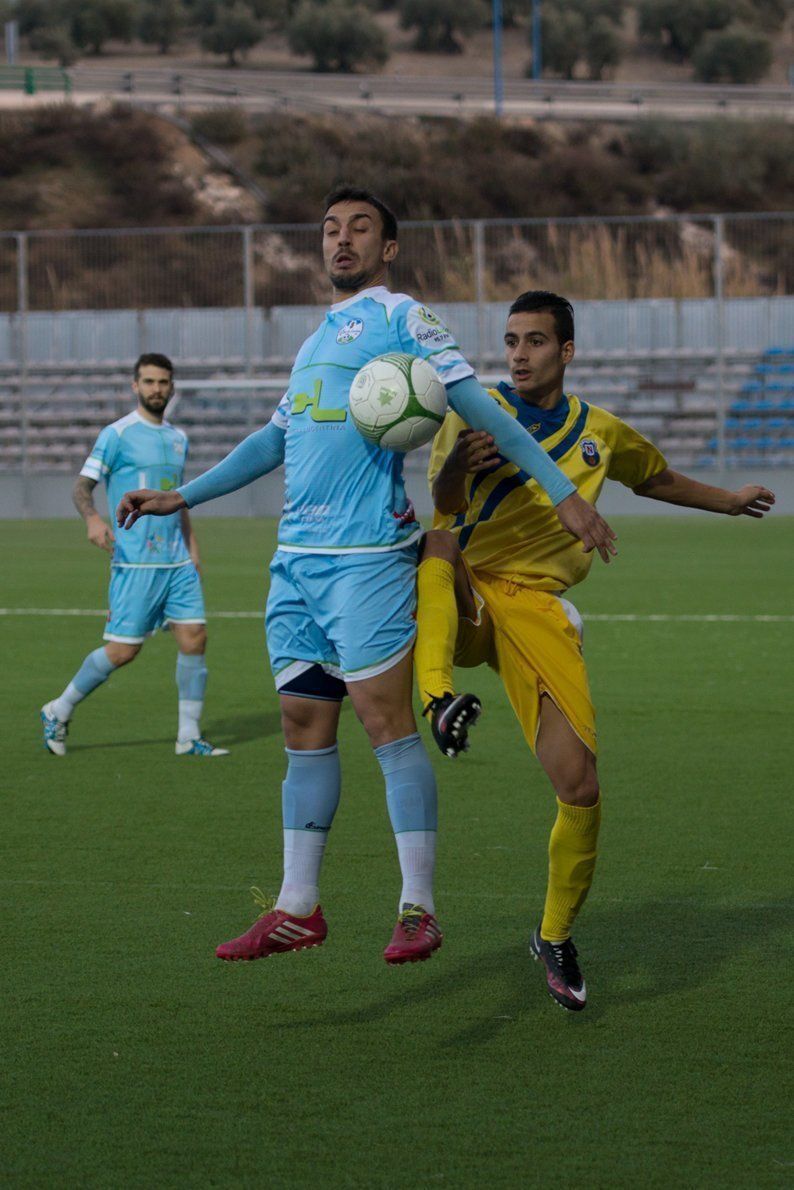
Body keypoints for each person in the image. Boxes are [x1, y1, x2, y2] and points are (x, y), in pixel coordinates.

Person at [116, 191, 616, 967]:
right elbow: (272, 440)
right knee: (302, 729)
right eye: (329, 228)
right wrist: (183, 494)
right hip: (297, 563)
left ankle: (418, 907)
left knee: (386, 727)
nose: (340, 240)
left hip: (367, 560)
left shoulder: (403, 319)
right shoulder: (317, 339)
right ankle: (296, 907)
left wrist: (559, 488)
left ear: (389, 248)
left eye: (359, 229)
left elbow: (482, 404)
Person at [414, 289, 775, 1009]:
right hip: (467, 589)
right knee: (435, 543)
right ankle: (436, 695)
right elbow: (444, 500)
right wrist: (460, 466)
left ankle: (552, 933)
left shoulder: (598, 433)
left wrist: (728, 502)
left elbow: (658, 477)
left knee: (579, 786)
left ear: (566, 351)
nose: (518, 354)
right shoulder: (474, 410)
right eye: (511, 340)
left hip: (538, 613)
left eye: (535, 341)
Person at [40, 354, 228, 759]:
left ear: (172, 386)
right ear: (135, 385)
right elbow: (81, 487)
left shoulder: (179, 438)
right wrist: (92, 519)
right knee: (124, 651)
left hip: (177, 562)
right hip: (135, 561)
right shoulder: (117, 434)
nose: (156, 389)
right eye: (148, 381)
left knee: (195, 637)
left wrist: (192, 549)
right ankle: (59, 708)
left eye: (163, 382)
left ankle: (188, 736)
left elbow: (177, 501)